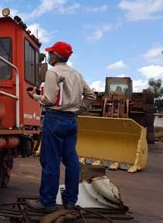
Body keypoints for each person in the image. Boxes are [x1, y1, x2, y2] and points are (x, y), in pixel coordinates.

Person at [26, 41, 96, 212]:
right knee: (71, 161)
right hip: (71, 121)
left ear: (56, 56)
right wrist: (78, 109)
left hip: (55, 119)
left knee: (51, 162)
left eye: (50, 53)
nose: (49, 56)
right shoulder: (76, 74)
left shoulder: (53, 72)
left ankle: (48, 202)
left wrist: (34, 96)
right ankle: (71, 201)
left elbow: (48, 100)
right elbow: (91, 96)